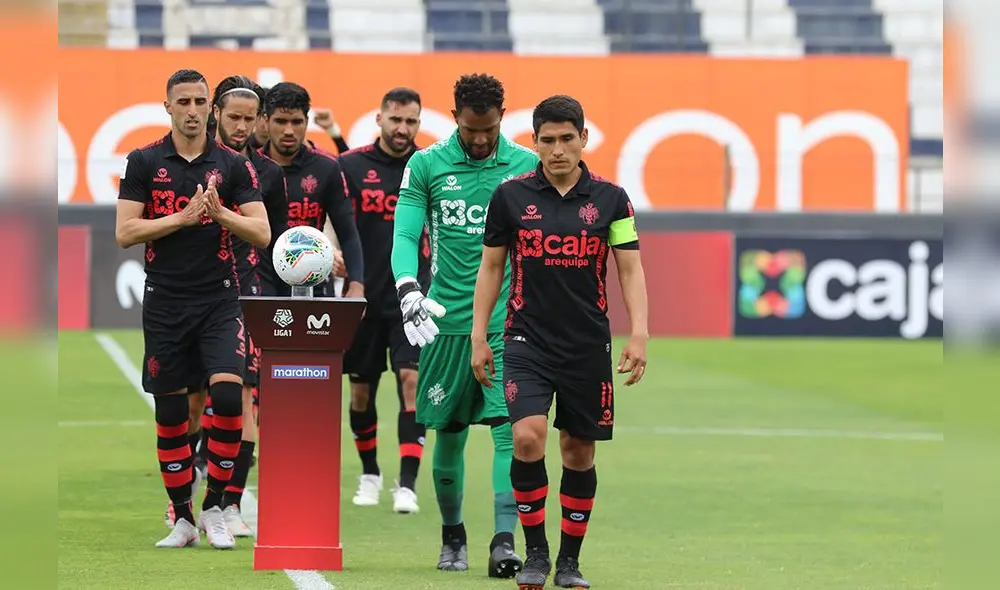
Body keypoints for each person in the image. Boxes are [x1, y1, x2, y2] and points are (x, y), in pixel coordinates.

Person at [470, 95, 649, 589]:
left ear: (583, 139)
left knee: (577, 452)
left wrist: (639, 332)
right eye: (546, 140)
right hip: (525, 338)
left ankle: (569, 563)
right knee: (527, 437)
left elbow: (629, 269)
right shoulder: (509, 197)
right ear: (534, 142)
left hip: (588, 346)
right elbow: (491, 268)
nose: (557, 150)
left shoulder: (612, 199)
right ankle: (536, 554)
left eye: (567, 139)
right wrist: (478, 335)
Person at [115, 69, 271, 549]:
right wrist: (180, 219)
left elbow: (262, 232)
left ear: (211, 108)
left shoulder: (233, 166)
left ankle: (214, 508)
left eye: (200, 100)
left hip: (221, 299)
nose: (191, 109)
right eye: (182, 101)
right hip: (164, 300)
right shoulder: (143, 161)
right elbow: (125, 232)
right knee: (172, 413)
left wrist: (221, 214)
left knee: (228, 399)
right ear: (167, 107)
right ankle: (182, 517)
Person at [391, 73, 538, 577]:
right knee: (449, 434)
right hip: (444, 324)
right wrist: (408, 286)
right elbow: (406, 233)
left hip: (508, 327)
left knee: (509, 433)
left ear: (502, 116)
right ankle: (453, 537)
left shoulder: (526, 166)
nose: (480, 139)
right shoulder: (427, 164)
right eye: (472, 130)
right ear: (455, 117)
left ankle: (504, 540)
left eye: (489, 129)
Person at [162, 75, 290, 536]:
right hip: (187, 295)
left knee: (240, 398)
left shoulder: (266, 174)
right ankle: (182, 498)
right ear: (215, 113)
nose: (241, 126)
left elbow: (270, 242)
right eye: (232, 116)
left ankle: (228, 502)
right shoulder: (193, 162)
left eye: (248, 118)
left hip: (242, 295)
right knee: (192, 403)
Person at [339, 87, 431, 514]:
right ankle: (370, 473)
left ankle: (407, 484)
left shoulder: (429, 166)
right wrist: (329, 252)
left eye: (411, 121)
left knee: (411, 383)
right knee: (361, 392)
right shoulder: (350, 166)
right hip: (362, 297)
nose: (403, 128)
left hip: (412, 299)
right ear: (379, 119)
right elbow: (331, 221)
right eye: (396, 119)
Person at [257, 82, 364, 298]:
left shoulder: (326, 167)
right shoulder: (249, 166)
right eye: (280, 121)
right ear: (266, 122)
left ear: (306, 122)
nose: (289, 130)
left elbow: (347, 231)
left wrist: (356, 285)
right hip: (261, 280)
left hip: (313, 279)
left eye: (296, 122)